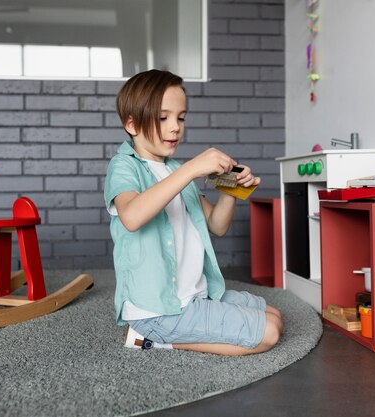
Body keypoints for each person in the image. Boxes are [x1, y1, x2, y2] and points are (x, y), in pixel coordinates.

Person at [104, 69, 283, 356]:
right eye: (163, 118)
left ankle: (171, 329)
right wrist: (192, 169)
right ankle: (151, 337)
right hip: (158, 308)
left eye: (181, 117)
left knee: (273, 315)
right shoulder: (125, 166)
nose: (175, 127)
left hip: (195, 293)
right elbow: (132, 216)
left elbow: (216, 225)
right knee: (268, 334)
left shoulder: (174, 170)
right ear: (132, 124)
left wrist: (230, 190)